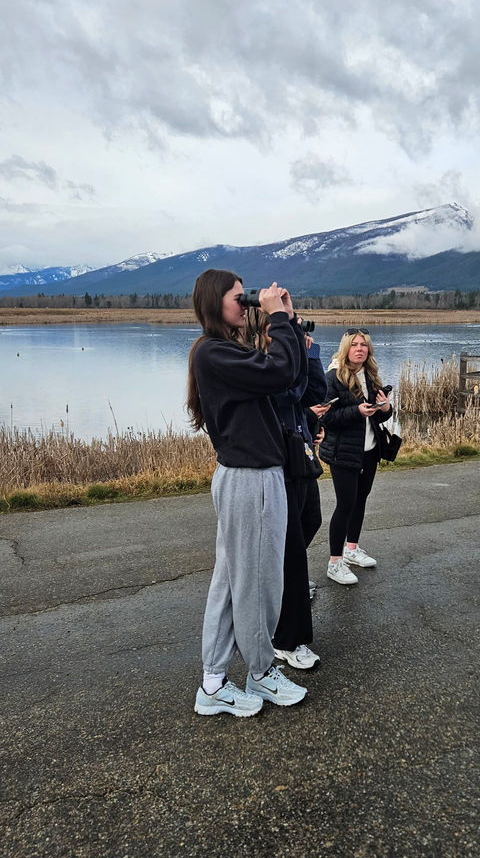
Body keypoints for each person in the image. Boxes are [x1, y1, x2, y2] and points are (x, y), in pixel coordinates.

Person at [186, 269, 307, 717]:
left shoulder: (222, 352)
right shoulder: (214, 353)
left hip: (248, 475)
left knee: (231, 582)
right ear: (214, 302)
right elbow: (280, 371)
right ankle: (260, 672)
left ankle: (214, 684)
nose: (247, 303)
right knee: (258, 582)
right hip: (250, 479)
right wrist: (278, 319)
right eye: (240, 297)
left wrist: (287, 322)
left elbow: (291, 379)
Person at [253, 314, 326, 670]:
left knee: (311, 520)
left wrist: (309, 356)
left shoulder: (287, 361)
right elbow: (288, 393)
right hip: (277, 465)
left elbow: (313, 393)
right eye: (287, 329)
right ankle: (287, 639)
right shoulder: (262, 365)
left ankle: (278, 590)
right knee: (292, 553)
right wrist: (296, 351)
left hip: (300, 459)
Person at [319, 328, 392, 585]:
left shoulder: (371, 376)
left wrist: (385, 407)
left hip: (370, 450)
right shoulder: (333, 377)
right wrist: (356, 412)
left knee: (361, 500)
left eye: (363, 345)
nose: (359, 349)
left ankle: (352, 549)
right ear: (345, 348)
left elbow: (379, 416)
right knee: (345, 505)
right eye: (354, 345)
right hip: (343, 453)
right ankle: (334, 562)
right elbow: (326, 417)